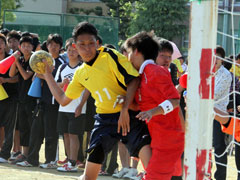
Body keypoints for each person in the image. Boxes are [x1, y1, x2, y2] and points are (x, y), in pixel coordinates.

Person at [40, 22, 151, 180]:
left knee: (153, 168)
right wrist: (47, 75)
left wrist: (125, 109)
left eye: (91, 43)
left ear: (98, 43)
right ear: (75, 47)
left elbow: (134, 80)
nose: (87, 48)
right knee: (88, 176)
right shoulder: (80, 73)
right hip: (104, 121)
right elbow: (63, 100)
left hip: (129, 115)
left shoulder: (110, 55)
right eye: (82, 45)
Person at [124, 31, 184, 179]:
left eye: (129, 53)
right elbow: (141, 106)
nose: (127, 58)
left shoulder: (156, 71)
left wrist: (153, 112)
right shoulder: (142, 75)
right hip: (158, 139)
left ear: (136, 52)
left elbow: (175, 100)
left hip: (168, 141)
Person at [54, 38, 87, 172]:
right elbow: (55, 85)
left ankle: (73, 162)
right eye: (69, 50)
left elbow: (87, 89)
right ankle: (69, 160)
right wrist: (63, 84)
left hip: (77, 107)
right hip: (63, 107)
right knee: (66, 135)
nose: (71, 52)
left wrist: (81, 105)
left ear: (79, 51)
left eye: (74, 50)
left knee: (74, 135)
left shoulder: (83, 68)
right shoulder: (62, 67)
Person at [9, 35, 37, 164]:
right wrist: (15, 61)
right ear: (20, 47)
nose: (26, 48)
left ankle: (31, 155)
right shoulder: (20, 59)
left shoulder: (34, 59)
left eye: (28, 46)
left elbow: (26, 76)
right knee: (23, 127)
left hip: (31, 99)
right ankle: (24, 154)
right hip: (21, 98)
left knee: (31, 128)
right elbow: (11, 74)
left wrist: (17, 63)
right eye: (23, 46)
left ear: (32, 47)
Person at [213, 46, 232, 180]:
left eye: (217, 57)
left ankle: (220, 177)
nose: (214, 60)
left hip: (218, 115)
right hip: (202, 114)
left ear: (222, 60)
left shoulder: (225, 74)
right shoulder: (204, 72)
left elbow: (213, 95)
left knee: (219, 147)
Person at [0, 33, 18, 163]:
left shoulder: (11, 58)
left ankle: (5, 154)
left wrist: (5, 80)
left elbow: (18, 78)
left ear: (5, 45)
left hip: (10, 97)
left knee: (8, 127)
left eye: (1, 43)